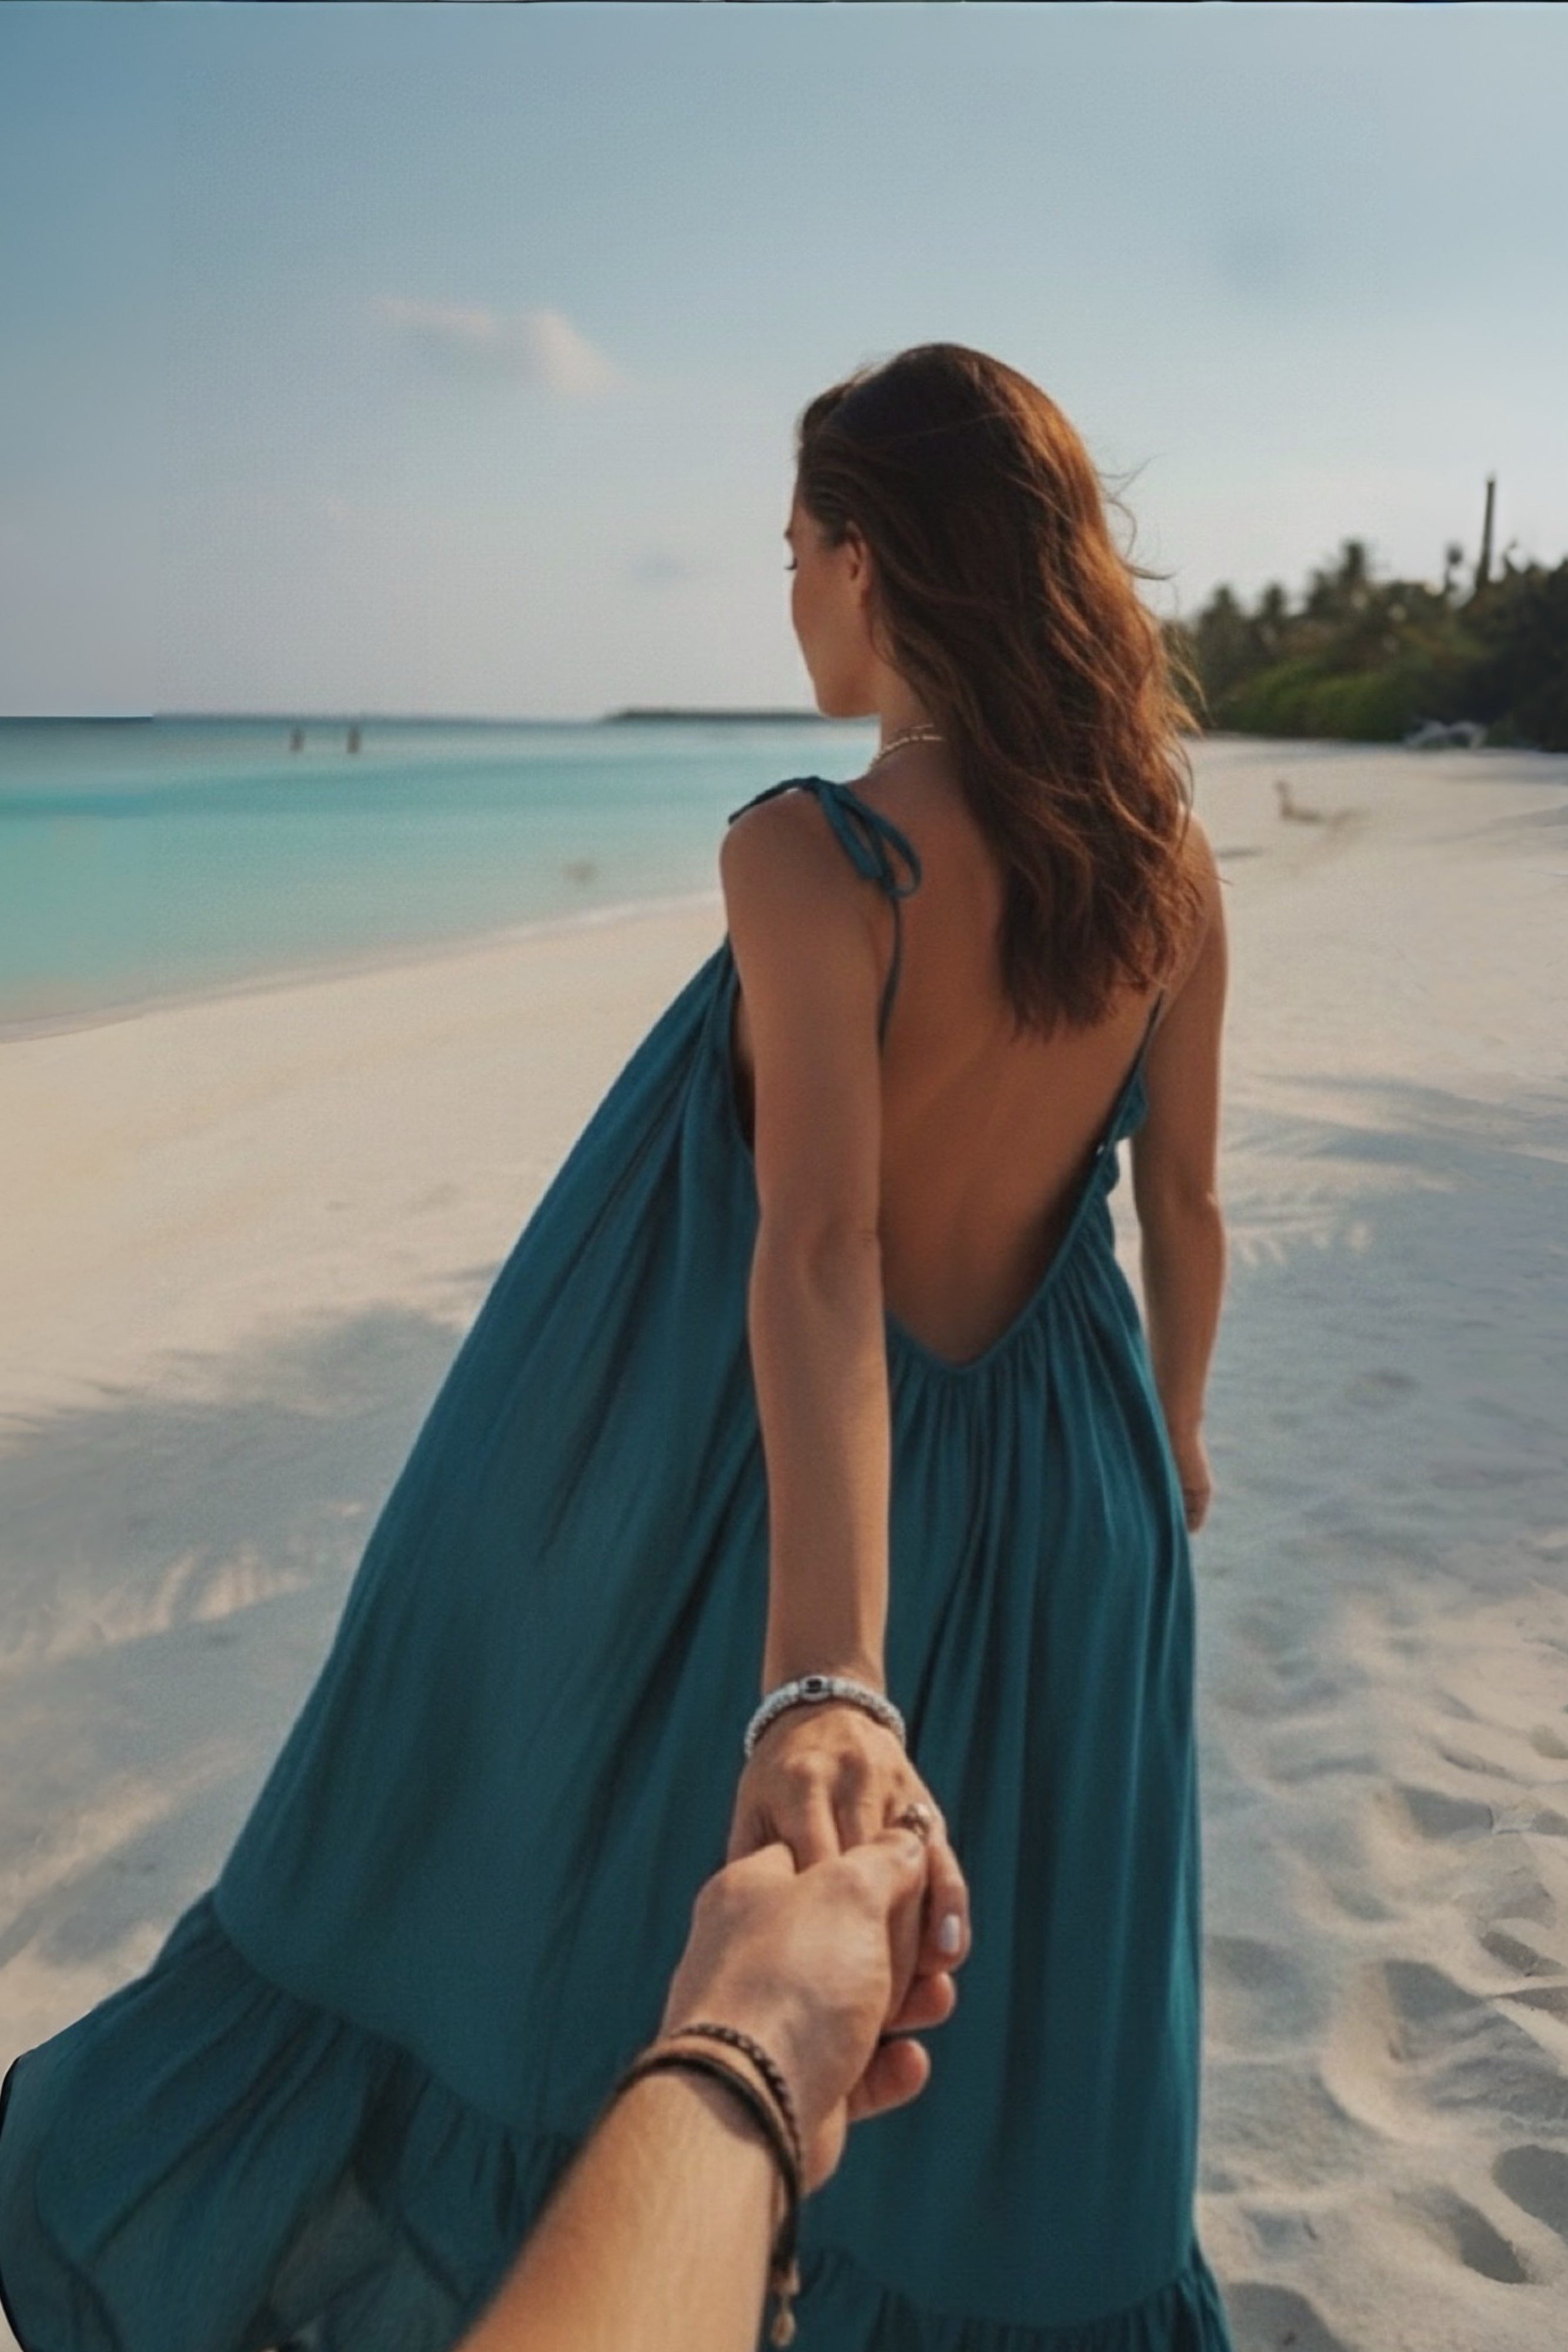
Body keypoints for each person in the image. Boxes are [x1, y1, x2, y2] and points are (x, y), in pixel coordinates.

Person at [0, 341, 1233, 2351]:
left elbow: (821, 1249)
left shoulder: (819, 855)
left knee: (533, 1940)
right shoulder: (1166, 874)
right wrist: (1170, 1444)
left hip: (786, 1487)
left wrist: (826, 1675)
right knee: (1000, 2082)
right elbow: (1179, 1209)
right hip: (1077, 1512)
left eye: (790, 548)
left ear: (866, 559)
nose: (785, 592)